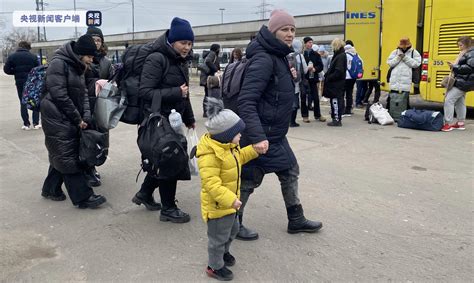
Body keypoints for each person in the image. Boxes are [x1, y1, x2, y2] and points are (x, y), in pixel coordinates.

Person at [236, 9, 323, 241]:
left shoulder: (279, 56)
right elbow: (246, 101)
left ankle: (296, 219)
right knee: (248, 180)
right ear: (273, 31)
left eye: (293, 30)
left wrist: (290, 76)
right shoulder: (265, 59)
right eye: (284, 29)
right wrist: (256, 136)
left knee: (289, 171)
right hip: (261, 135)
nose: (289, 34)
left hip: (275, 133)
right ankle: (233, 222)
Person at [132, 17, 196, 223]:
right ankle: (168, 208)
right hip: (158, 120)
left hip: (173, 119)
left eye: (189, 43)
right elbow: (145, 91)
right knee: (171, 160)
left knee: (164, 159)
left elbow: (184, 94)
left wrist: (190, 118)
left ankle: (144, 193)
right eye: (183, 43)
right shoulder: (157, 59)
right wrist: (175, 91)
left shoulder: (179, 60)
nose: (187, 47)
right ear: (172, 41)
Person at [40, 34, 106, 209]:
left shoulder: (79, 66)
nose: (91, 60)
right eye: (90, 56)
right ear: (80, 53)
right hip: (56, 115)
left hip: (70, 115)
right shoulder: (58, 63)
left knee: (61, 153)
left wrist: (85, 116)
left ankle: (50, 189)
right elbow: (59, 95)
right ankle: (83, 198)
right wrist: (77, 119)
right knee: (68, 157)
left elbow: (84, 93)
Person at [197, 98, 259, 281]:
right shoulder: (210, 155)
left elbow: (239, 158)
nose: (241, 136)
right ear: (226, 134)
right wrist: (229, 199)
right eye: (238, 133)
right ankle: (214, 266)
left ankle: (224, 253)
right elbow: (211, 184)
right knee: (217, 238)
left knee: (232, 230)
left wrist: (254, 150)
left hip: (230, 204)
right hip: (218, 206)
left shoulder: (230, 147)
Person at [84, 26, 113, 187]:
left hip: (102, 107)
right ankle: (88, 169)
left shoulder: (106, 62)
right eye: (93, 39)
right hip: (86, 105)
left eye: (98, 40)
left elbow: (112, 83)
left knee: (101, 139)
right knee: (87, 138)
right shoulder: (81, 58)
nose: (96, 43)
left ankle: (94, 165)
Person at [3, 41, 40, 130]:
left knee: (23, 102)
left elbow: (6, 69)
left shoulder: (12, 57)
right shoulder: (33, 57)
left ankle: (26, 124)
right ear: (28, 48)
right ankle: (36, 123)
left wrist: (15, 72)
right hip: (32, 82)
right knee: (34, 100)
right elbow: (38, 69)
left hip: (19, 82)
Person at [441, 36, 473, 132]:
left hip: (463, 82)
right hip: (465, 81)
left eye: (461, 45)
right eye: (458, 45)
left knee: (449, 100)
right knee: (460, 102)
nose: (459, 47)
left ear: (467, 44)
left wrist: (454, 67)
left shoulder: (471, 53)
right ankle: (460, 123)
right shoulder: (467, 52)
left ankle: (447, 124)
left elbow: (470, 68)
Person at [386, 37, 421, 110]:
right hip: (394, 79)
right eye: (402, 46)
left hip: (406, 80)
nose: (404, 48)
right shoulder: (395, 52)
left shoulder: (414, 52)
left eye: (405, 46)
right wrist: (398, 57)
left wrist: (405, 58)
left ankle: (403, 116)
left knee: (404, 99)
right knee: (391, 98)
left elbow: (416, 64)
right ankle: (391, 114)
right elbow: (390, 63)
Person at [322, 38, 347, 127]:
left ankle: (336, 119)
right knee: (336, 101)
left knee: (335, 101)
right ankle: (336, 118)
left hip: (336, 84)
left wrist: (329, 77)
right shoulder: (340, 55)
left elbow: (338, 71)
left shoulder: (340, 56)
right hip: (338, 83)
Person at [302, 36, 326, 122]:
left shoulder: (316, 54)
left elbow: (321, 66)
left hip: (313, 79)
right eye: (309, 42)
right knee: (304, 97)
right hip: (304, 79)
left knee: (315, 98)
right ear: (305, 44)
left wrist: (315, 69)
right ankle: (305, 116)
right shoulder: (302, 55)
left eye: (311, 42)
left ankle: (318, 115)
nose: (310, 44)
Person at [289, 38, 309, 127]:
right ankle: (292, 122)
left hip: (286, 83)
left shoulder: (285, 54)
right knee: (294, 103)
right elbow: (304, 70)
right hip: (296, 83)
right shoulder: (300, 56)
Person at [200, 43, 221, 117]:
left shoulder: (210, 54)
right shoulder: (212, 54)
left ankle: (206, 111)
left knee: (207, 94)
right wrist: (216, 70)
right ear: (217, 49)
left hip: (206, 78)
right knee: (209, 95)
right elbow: (208, 61)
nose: (220, 50)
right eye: (219, 49)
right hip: (208, 78)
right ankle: (207, 112)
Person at [343, 40, 359, 116]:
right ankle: (349, 109)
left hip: (345, 76)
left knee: (342, 93)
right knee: (349, 93)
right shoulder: (356, 54)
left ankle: (342, 109)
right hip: (353, 77)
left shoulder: (345, 54)